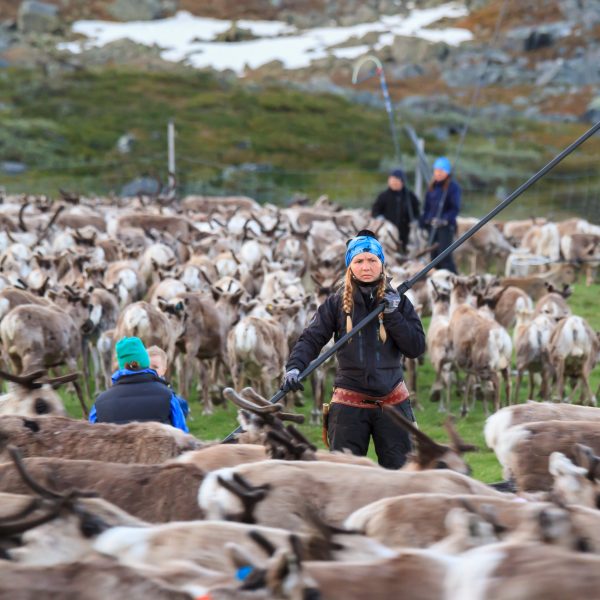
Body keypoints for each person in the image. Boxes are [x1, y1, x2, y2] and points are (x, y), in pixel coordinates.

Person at [281, 231, 426, 469]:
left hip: (392, 402)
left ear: (382, 264)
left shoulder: (399, 302)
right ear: (350, 266)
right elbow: (311, 338)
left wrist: (392, 315)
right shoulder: (336, 303)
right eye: (359, 261)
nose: (366, 267)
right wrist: (294, 368)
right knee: (343, 476)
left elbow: (416, 348)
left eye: (372, 260)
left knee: (401, 478)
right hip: (350, 402)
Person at [89, 336, 189, 432]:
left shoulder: (100, 403)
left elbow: (91, 438)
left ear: (121, 365)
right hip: (157, 449)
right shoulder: (167, 396)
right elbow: (182, 434)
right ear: (145, 361)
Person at [420, 156, 461, 273]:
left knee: (444, 257)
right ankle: (438, 280)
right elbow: (426, 208)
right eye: (436, 171)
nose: (438, 174)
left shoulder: (453, 188)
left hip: (446, 228)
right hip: (432, 227)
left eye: (441, 171)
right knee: (433, 258)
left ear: (447, 173)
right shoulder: (432, 187)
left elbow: (455, 208)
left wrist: (444, 219)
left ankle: (454, 278)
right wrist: (426, 220)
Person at [371, 168, 420, 253]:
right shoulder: (384, 196)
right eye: (391, 180)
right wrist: (380, 218)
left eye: (396, 180)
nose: (393, 182)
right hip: (388, 233)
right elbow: (375, 210)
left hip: (405, 231)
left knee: (403, 252)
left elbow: (416, 211)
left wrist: (415, 220)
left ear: (402, 182)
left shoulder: (410, 196)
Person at [147, 344, 190, 418]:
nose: (150, 370)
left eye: (155, 367)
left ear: (163, 370)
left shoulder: (166, 389)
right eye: (147, 366)